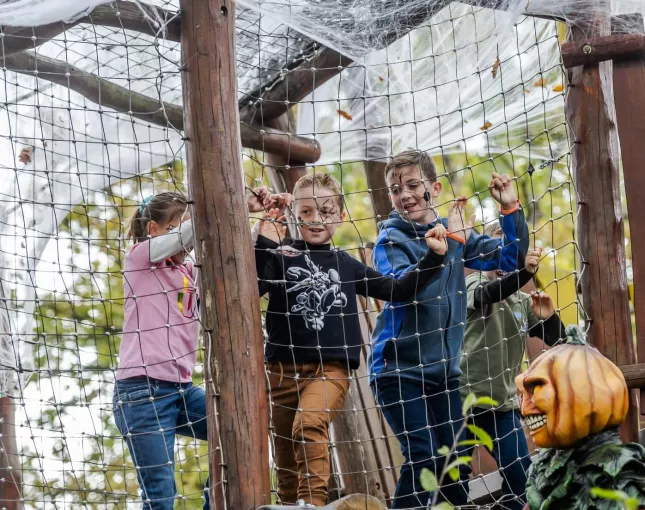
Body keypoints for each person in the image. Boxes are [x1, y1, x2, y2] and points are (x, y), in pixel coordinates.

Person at [253, 172, 449, 507]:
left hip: (330, 369)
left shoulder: (345, 265)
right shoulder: (280, 255)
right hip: (281, 371)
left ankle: (312, 503)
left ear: (341, 216)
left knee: (309, 423)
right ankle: (288, 504)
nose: (316, 220)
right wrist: (266, 237)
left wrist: (433, 257)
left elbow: (396, 289)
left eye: (326, 211)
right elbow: (254, 287)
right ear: (295, 215)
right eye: (307, 213)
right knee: (285, 455)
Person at [368, 150, 528, 508]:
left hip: (444, 374)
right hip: (399, 370)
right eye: (395, 189)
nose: (404, 194)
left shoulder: (455, 234)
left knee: (454, 464)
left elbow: (510, 260)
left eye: (412, 185)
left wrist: (510, 210)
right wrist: (449, 246)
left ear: (434, 188)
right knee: (423, 455)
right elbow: (405, 286)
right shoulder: (391, 241)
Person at [114, 187, 287, 510]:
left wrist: (255, 218)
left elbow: (228, 252)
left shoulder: (186, 271)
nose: (187, 242)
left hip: (179, 392)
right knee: (161, 494)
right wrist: (219, 203)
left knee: (237, 428)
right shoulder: (140, 257)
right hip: (141, 394)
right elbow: (190, 232)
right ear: (154, 230)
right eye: (176, 229)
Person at [460, 223, 567, 510]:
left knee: (522, 477)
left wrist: (549, 317)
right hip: (462, 401)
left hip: (502, 405)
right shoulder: (475, 285)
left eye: (512, 257)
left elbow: (559, 341)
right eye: (498, 257)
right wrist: (523, 275)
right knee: (455, 478)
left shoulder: (522, 302)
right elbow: (488, 295)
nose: (504, 264)